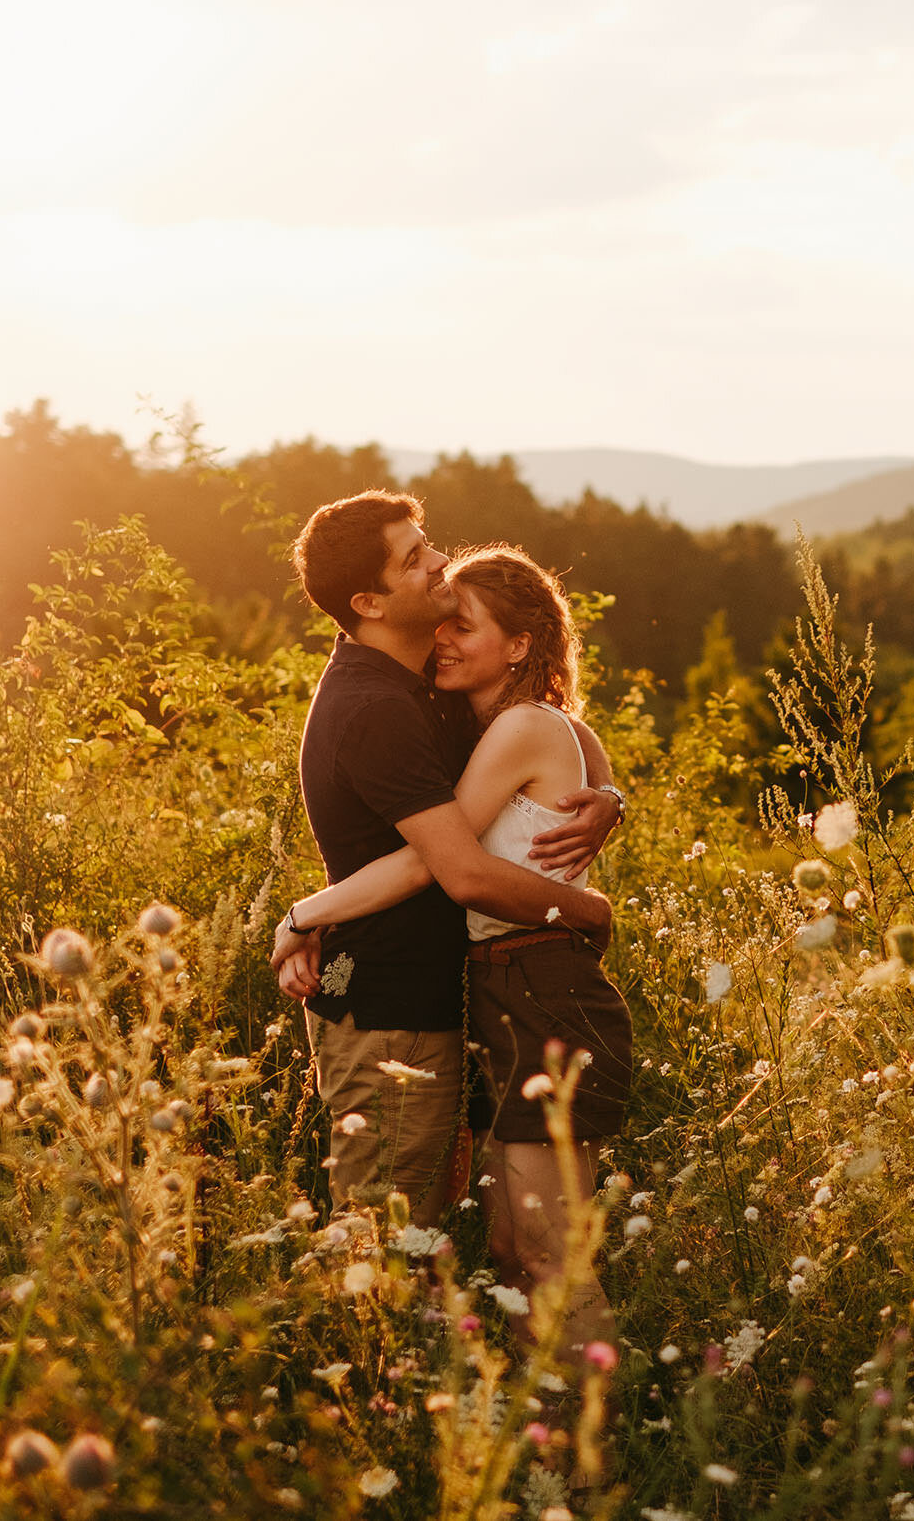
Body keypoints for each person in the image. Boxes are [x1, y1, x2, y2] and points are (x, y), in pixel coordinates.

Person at [276, 545, 634, 1370]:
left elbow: (445, 867)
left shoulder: (514, 727)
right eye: (441, 618)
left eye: (461, 625)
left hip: (546, 988)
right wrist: (608, 794)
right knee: (512, 1249)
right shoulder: (475, 722)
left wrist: (306, 913)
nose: (442, 636)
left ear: (518, 646)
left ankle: (585, 1462)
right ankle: (542, 1437)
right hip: (503, 989)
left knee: (547, 1253)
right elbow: (571, 737)